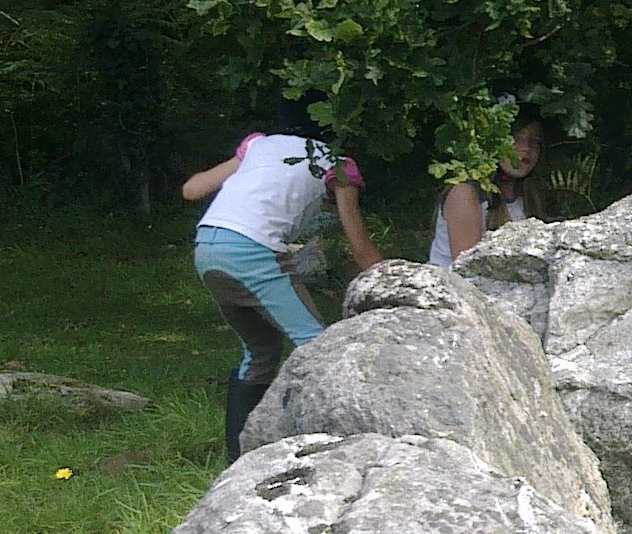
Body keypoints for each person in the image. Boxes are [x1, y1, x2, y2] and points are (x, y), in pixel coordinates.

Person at [183, 119, 382, 459]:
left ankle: (238, 458)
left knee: (261, 349)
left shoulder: (259, 145)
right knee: (318, 347)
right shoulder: (338, 166)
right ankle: (339, 446)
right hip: (252, 250)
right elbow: (360, 248)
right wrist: (398, 280)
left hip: (207, 246)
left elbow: (192, 190)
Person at [427, 103, 546, 267]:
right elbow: (467, 269)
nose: (525, 148)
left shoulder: (529, 196)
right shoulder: (466, 194)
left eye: (534, 141)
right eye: (514, 139)